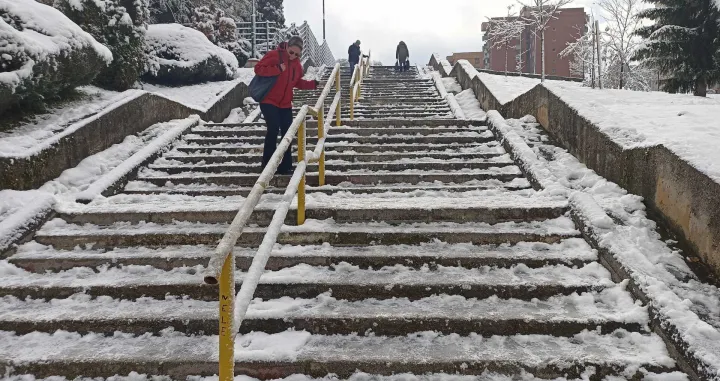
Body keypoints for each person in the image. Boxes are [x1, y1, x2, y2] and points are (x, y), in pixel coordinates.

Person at [254, 36, 318, 175]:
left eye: (297, 54)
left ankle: (286, 166)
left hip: (285, 104)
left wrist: (313, 84)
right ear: (287, 47)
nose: (293, 56)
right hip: (268, 100)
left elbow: (297, 83)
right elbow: (258, 69)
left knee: (288, 133)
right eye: (291, 52)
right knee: (273, 128)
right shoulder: (274, 55)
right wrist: (277, 69)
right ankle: (267, 165)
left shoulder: (297, 65)